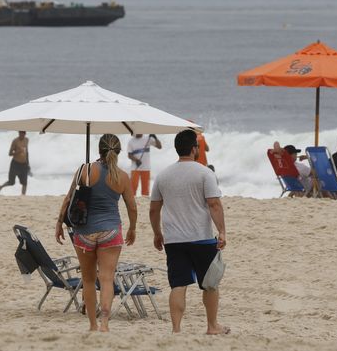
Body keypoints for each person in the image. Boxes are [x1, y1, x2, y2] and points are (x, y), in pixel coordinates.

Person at [149, 129, 229, 335]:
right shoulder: (204, 173)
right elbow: (214, 204)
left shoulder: (163, 175)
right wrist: (222, 232)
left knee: (178, 284)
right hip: (201, 238)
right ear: (195, 148)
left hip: (174, 240)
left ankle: (176, 329)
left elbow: (154, 209)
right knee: (209, 284)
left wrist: (157, 233)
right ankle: (212, 327)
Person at [55, 134, 137, 332]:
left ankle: (92, 325)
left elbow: (68, 199)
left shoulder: (84, 170)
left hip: (84, 232)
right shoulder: (122, 177)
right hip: (111, 231)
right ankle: (105, 323)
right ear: (118, 152)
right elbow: (132, 207)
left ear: (99, 149)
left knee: (89, 280)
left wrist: (59, 222)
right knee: (107, 278)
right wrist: (132, 228)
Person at [0, 131, 30, 195]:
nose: (21, 134)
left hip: (24, 164)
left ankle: (23, 196)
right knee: (11, 182)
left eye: (23, 133)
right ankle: (0, 187)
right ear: (19, 133)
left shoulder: (27, 140)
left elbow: (27, 152)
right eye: (20, 133)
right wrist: (18, 152)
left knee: (24, 182)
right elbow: (10, 153)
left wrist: (28, 163)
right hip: (15, 164)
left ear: (25, 134)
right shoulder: (15, 141)